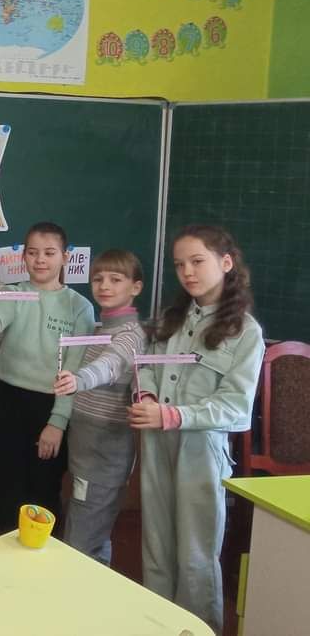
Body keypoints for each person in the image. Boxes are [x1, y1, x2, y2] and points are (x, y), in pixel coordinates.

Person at [129, 225, 263, 634]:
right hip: (156, 443)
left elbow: (236, 407)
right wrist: (147, 396)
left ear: (226, 263)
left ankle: (199, 628)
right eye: (179, 264)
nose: (187, 272)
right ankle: (157, 625)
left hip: (200, 450)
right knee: (156, 545)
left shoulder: (245, 331)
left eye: (197, 261)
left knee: (196, 554)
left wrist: (173, 416)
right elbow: (146, 368)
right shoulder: (172, 320)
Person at [0, 221, 94, 531]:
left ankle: (43, 554)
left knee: (44, 489)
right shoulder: (14, 293)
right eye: (33, 253)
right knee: (9, 487)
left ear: (65, 257)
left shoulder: (80, 308)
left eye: (49, 253)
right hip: (9, 400)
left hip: (52, 406)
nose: (40, 260)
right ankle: (7, 549)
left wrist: (57, 423)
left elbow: (74, 371)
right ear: (23, 256)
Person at [53, 249, 146, 564]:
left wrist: (78, 380)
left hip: (105, 453)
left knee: (80, 540)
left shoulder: (131, 335)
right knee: (91, 533)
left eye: (115, 279)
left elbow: (110, 365)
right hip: (85, 448)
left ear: (136, 287)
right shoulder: (99, 329)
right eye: (98, 279)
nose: (104, 286)